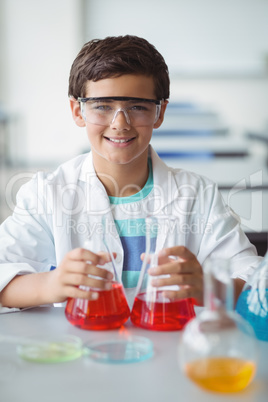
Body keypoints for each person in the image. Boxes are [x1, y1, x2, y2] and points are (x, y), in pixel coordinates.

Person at [0, 35, 262, 313]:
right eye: (102, 106)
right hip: (76, 350)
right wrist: (50, 285)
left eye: (138, 107)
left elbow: (257, 284)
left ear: (159, 113)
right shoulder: (46, 194)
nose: (120, 123)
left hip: (171, 350)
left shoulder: (199, 196)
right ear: (78, 111)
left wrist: (208, 287)